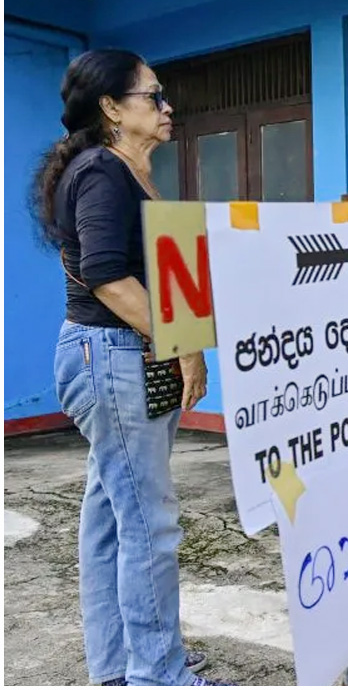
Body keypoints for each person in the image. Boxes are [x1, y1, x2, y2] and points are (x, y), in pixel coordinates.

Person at [34, 49, 229, 686]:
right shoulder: (100, 171)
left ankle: (118, 667)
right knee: (149, 521)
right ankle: (159, 673)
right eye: (154, 96)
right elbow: (108, 277)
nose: (167, 106)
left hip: (120, 356)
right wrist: (187, 345)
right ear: (113, 108)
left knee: (112, 518)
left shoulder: (126, 171)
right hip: (114, 356)